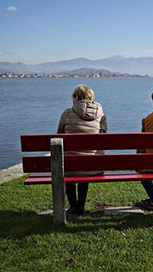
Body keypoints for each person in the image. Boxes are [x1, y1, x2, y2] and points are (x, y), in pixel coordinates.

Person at [57, 84, 107, 216]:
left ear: (77, 97)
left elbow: (58, 137)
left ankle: (74, 206)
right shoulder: (101, 114)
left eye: (73, 97)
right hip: (94, 166)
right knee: (86, 163)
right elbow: (104, 138)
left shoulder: (67, 113)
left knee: (70, 166)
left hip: (70, 166)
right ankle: (81, 206)